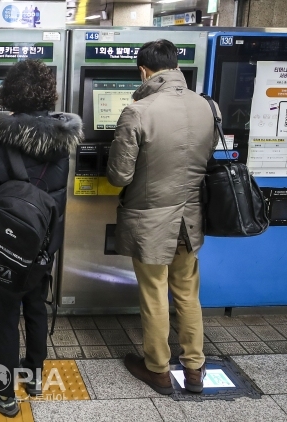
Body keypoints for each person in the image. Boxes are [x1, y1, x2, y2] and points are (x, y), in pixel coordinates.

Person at [0, 60, 82, 416]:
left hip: (9, 243)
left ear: (11, 94)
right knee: (35, 304)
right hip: (46, 241)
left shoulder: (2, 141)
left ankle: (3, 391)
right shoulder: (63, 140)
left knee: (5, 314)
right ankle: (33, 374)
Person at [106, 40, 216, 395]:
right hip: (190, 219)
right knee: (187, 292)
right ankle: (195, 369)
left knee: (154, 293)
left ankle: (157, 369)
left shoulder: (138, 111)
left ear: (144, 70)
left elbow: (119, 176)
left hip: (150, 221)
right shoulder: (208, 106)